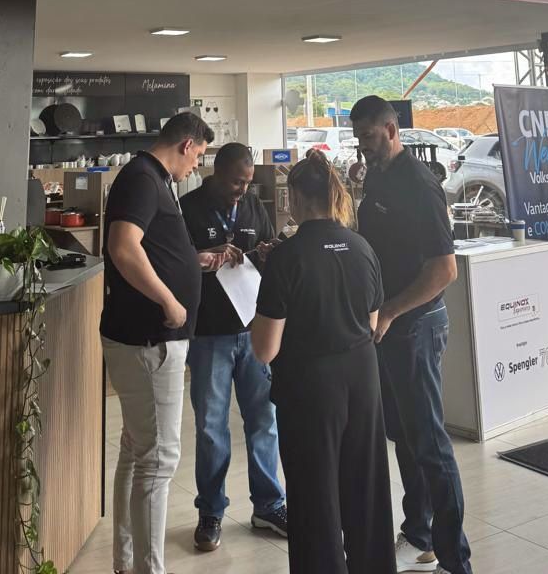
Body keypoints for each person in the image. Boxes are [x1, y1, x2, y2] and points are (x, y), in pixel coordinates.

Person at [251, 151, 395, 574]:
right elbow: (371, 321)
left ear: (294, 196)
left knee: (315, 497)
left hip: (311, 383)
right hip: (362, 376)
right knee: (366, 486)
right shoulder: (362, 247)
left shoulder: (285, 256)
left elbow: (265, 349)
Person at [351, 95, 472, 574]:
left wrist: (392, 311)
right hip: (386, 327)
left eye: (369, 136)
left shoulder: (420, 184)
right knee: (402, 434)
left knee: (430, 444)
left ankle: (455, 557)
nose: (362, 146)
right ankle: (419, 533)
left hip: (416, 325)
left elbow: (444, 270)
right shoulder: (376, 175)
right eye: (358, 138)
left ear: (392, 127)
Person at [100, 112, 215, 574]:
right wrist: (170, 300)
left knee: (136, 450)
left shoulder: (153, 179)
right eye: (200, 157)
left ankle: (126, 563)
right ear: (187, 144)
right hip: (150, 339)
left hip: (145, 337)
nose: (197, 168)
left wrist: (189, 261)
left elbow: (149, 246)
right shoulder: (144, 178)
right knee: (159, 460)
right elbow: (123, 246)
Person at [179, 143, 288, 551]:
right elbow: (172, 262)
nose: (241, 189)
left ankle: (269, 504)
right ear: (216, 172)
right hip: (209, 334)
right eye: (235, 182)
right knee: (210, 426)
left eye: (246, 182)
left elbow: (265, 250)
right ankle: (211, 510)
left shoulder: (253, 207)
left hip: (253, 328)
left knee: (264, 419)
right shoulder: (188, 207)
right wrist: (204, 258)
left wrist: (267, 252)